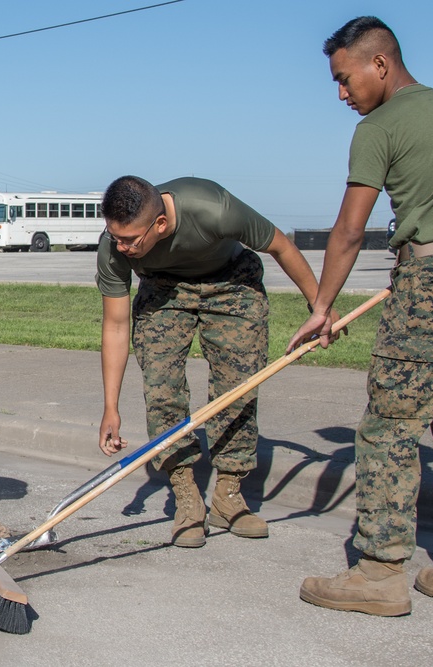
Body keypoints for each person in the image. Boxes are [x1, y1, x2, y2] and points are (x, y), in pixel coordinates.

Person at [288, 16, 433, 616]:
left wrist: (322, 307)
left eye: (344, 78)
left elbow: (350, 230)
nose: (342, 94)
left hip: (428, 282)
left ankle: (378, 574)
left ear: (380, 64)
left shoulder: (380, 126)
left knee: (390, 426)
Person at [98, 175, 325, 548]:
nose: (120, 247)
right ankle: (186, 495)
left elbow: (281, 246)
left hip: (232, 282)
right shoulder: (113, 246)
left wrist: (320, 309)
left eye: (130, 240)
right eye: (114, 236)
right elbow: (117, 325)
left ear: (160, 224)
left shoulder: (213, 208)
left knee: (237, 389)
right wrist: (111, 407)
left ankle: (228, 494)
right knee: (162, 388)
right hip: (163, 288)